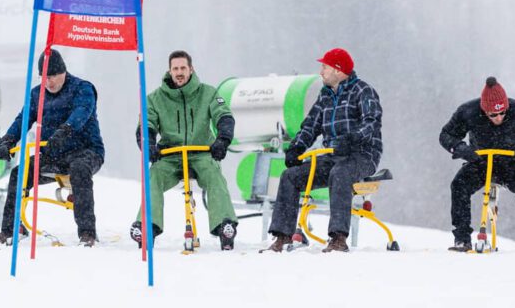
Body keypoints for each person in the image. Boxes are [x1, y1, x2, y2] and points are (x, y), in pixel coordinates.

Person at [262, 48, 383, 253]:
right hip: (333, 156)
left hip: (361, 155)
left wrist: (351, 139)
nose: (321, 72)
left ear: (338, 70)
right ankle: (283, 236)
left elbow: (371, 123)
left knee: (340, 173)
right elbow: (311, 125)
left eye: (325, 67)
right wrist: (297, 147)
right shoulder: (325, 95)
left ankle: (338, 238)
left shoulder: (363, 91)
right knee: (291, 176)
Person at [0, 48, 105, 247]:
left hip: (86, 151)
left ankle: (87, 234)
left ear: (63, 73)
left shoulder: (82, 88)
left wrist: (65, 131)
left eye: (51, 77)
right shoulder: (37, 94)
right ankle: (11, 230)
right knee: (19, 173)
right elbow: (23, 119)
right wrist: (8, 140)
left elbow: (82, 113)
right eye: (43, 77)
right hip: (53, 154)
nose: (48, 82)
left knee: (79, 169)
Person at [130, 50, 238, 250]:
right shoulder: (155, 99)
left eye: (183, 68)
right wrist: (148, 145)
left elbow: (223, 115)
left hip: (201, 152)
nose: (179, 72)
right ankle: (147, 226)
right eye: (175, 69)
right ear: (169, 71)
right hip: (171, 155)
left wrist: (222, 139)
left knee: (214, 175)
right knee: (154, 176)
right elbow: (146, 124)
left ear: (191, 69)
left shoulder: (208, 93)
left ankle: (225, 225)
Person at [439, 76, 515, 251]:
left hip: (512, 163)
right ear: (484, 110)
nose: (498, 118)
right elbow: (446, 135)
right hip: (480, 162)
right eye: (493, 114)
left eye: (502, 113)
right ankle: (462, 239)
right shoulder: (468, 112)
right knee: (459, 186)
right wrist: (460, 148)